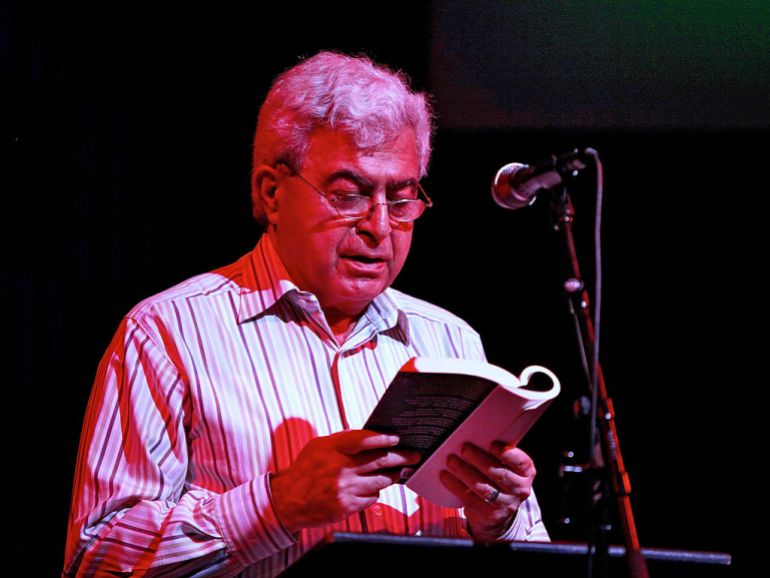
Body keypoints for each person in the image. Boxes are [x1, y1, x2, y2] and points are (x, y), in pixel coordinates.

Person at [63, 50, 549, 577]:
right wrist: (280, 504)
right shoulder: (167, 333)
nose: (379, 227)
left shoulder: (451, 341)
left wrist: (499, 521)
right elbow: (95, 560)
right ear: (271, 193)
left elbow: (535, 554)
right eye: (348, 195)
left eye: (403, 199)